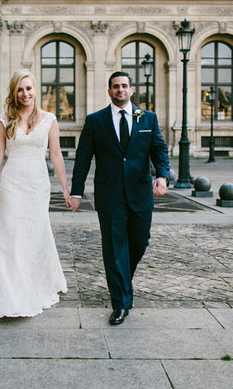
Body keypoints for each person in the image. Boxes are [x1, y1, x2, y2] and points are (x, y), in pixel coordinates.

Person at [69, 71, 170, 325]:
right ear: (109, 91)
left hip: (140, 193)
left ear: (131, 90)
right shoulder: (95, 121)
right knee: (114, 249)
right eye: (116, 86)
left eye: (124, 86)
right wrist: (76, 192)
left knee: (140, 240)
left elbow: (159, 149)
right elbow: (83, 158)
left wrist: (162, 176)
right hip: (109, 195)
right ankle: (121, 303)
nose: (120, 90)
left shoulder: (148, 118)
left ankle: (122, 279)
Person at [0, 69, 69, 320]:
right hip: (12, 183)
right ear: (14, 92)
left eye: (28, 88)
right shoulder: (4, 119)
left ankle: (33, 286)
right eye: (20, 89)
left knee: (35, 234)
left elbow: (56, 155)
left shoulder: (50, 119)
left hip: (38, 184)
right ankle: (10, 295)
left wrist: (65, 187)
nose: (25, 93)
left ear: (35, 90)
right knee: (11, 236)